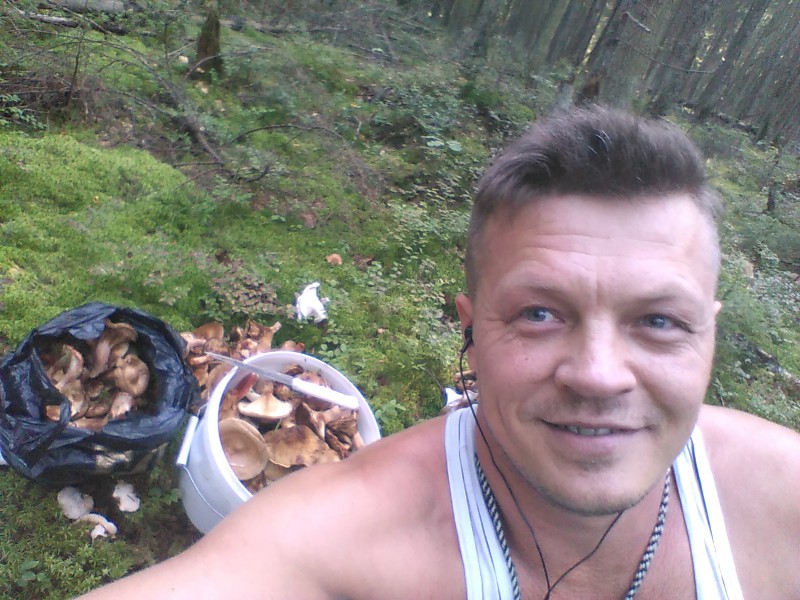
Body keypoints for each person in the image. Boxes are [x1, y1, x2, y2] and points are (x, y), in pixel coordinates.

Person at [80, 106, 800, 600]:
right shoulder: (343, 534)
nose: (598, 374)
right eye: (540, 313)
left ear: (709, 333)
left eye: (660, 321)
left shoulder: (784, 497)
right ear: (472, 332)